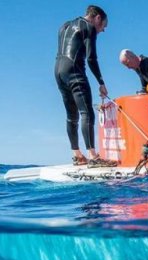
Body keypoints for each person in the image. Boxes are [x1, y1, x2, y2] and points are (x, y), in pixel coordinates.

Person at [55, 5, 116, 167]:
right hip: (75, 72)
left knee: (71, 115)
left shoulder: (65, 25)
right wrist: (101, 82)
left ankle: (77, 155)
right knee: (87, 112)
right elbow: (91, 58)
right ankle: (93, 156)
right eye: (103, 26)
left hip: (58, 72)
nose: (102, 30)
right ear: (97, 18)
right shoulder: (88, 27)